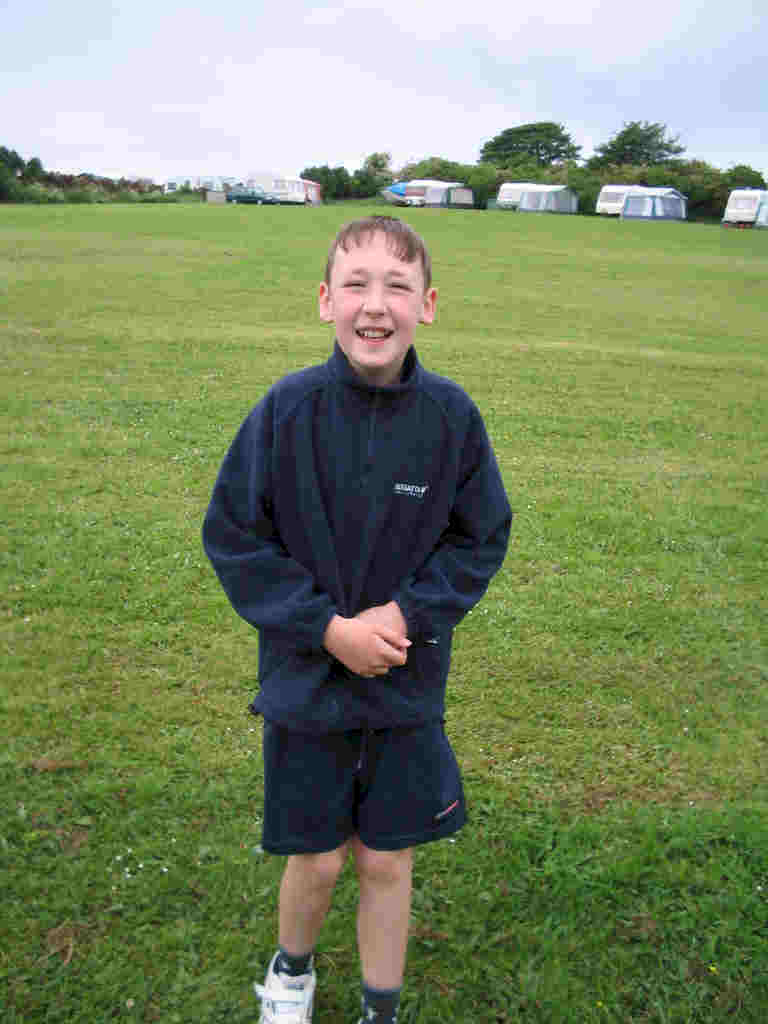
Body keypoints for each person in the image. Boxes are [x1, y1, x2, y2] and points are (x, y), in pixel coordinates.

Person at [202, 215, 511, 1023]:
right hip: (306, 685)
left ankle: (382, 1005)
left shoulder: (451, 418)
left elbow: (479, 537)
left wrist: (407, 614)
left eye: (398, 287)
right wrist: (326, 628)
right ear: (325, 300)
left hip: (405, 686)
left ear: (429, 305)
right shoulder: (287, 409)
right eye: (356, 285)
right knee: (317, 861)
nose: (376, 306)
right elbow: (235, 535)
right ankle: (292, 972)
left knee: (385, 857)